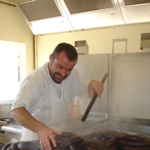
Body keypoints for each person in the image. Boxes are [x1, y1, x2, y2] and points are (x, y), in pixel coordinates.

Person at [10, 42, 104, 150]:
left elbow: (88, 91)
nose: (63, 74)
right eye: (60, 67)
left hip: (58, 142)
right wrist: (41, 129)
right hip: (33, 142)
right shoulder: (35, 80)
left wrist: (93, 84)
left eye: (69, 70)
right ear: (51, 58)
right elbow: (16, 111)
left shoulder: (73, 76)